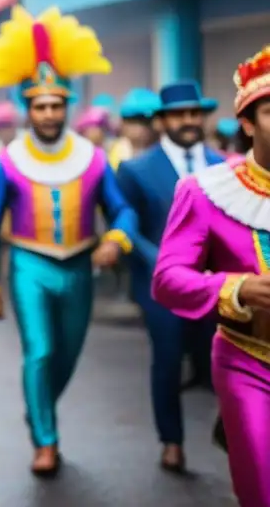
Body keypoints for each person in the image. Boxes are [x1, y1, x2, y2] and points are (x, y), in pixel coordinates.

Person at [0, 7, 136, 476]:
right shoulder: (6, 163)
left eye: (56, 105)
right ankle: (45, 439)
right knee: (40, 352)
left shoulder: (94, 158)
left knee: (66, 354)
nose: (49, 113)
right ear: (28, 109)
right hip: (29, 265)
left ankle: (38, 403)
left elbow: (121, 209)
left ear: (67, 107)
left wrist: (118, 240)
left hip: (80, 265)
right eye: (40, 105)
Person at [152, 46, 270, 507]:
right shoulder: (207, 191)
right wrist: (235, 288)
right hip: (248, 360)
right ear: (247, 122)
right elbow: (168, 278)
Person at [117, 81, 223, 472]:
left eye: (195, 113)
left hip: (215, 285)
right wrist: (162, 263)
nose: (189, 120)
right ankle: (172, 441)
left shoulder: (223, 165)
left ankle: (235, 434)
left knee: (220, 360)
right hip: (160, 287)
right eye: (180, 114)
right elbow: (126, 225)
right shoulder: (135, 169)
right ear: (162, 121)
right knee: (166, 360)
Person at [108, 88, 160, 171]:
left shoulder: (166, 152)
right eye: (140, 121)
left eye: (148, 122)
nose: (146, 129)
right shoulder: (119, 153)